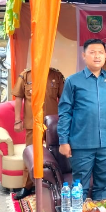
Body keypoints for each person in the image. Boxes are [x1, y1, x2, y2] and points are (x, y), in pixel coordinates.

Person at [58, 39, 106, 201]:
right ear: (84, 55)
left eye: (100, 52)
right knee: (79, 187)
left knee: (103, 185)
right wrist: (63, 141)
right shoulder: (72, 81)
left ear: (105, 55)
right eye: (92, 52)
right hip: (81, 144)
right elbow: (65, 112)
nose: (97, 56)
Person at [12, 66, 65, 200]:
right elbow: (18, 98)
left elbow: (64, 99)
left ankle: (57, 183)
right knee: (31, 154)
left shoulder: (56, 75)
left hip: (52, 123)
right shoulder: (26, 75)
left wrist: (64, 120)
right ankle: (27, 186)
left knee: (57, 153)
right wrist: (17, 120)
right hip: (33, 123)